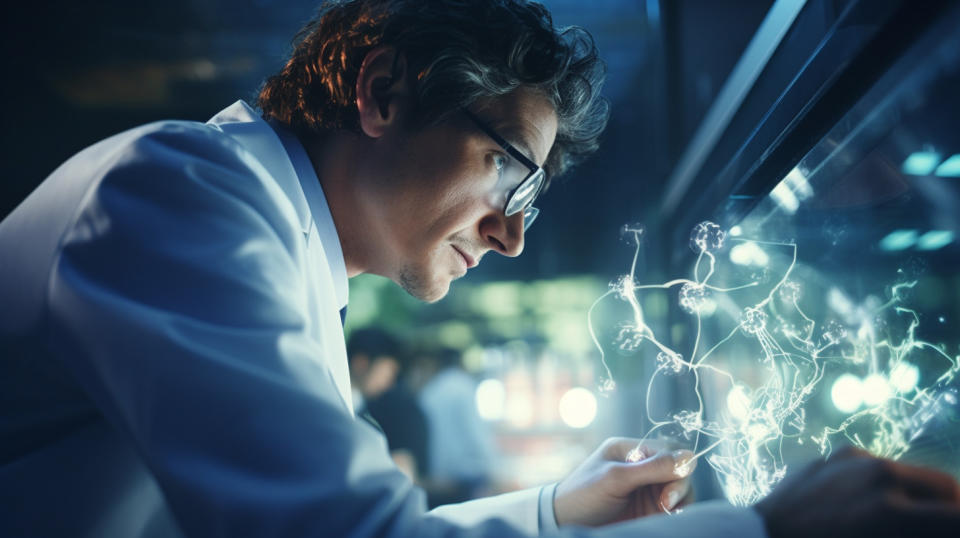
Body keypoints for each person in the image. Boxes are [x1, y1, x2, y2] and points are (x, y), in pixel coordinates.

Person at [0, 0, 957, 537]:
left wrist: (549, 511)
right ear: (381, 94)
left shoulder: (269, 243)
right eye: (512, 172)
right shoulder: (178, 197)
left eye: (530, 200)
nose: (512, 236)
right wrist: (768, 533)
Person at [417, 347, 498, 507]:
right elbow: (475, 433)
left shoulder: (429, 391)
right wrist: (493, 469)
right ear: (460, 363)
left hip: (438, 479)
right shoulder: (463, 386)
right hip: (467, 477)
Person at [347, 328, 430, 482]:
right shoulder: (332, 403)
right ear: (361, 363)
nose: (390, 382)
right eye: (387, 371)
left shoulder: (366, 407)